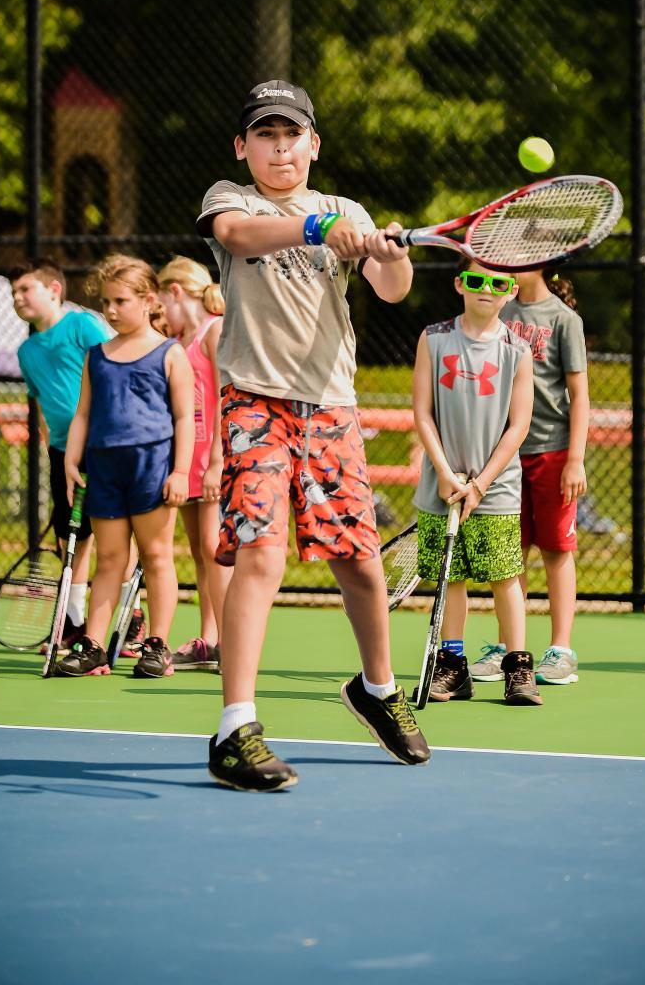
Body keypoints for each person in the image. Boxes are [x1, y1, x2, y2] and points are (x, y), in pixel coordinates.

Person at [196, 78, 430, 791]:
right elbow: (237, 238)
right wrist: (317, 231)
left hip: (330, 408)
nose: (278, 147)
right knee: (261, 556)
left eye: (290, 134)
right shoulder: (229, 199)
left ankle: (378, 692)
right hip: (255, 404)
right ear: (244, 147)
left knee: (360, 563)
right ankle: (235, 727)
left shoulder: (345, 209)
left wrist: (384, 250)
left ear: (313, 145)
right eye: (264, 135)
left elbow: (394, 289)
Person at [59, 254, 194, 678]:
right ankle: (93, 645)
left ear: (147, 299)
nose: (111, 310)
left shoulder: (170, 354)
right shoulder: (96, 356)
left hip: (152, 466)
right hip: (104, 468)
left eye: (120, 301)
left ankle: (157, 646)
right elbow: (83, 413)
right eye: (106, 302)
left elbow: (184, 417)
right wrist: (70, 460)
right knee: (110, 558)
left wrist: (180, 471)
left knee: (156, 557)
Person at [412, 262, 541, 706]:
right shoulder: (433, 338)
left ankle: (519, 667)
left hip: (496, 488)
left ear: (511, 291)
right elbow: (423, 413)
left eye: (498, 283)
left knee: (506, 576)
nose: (486, 289)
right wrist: (447, 473)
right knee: (452, 578)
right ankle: (453, 666)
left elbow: (518, 425)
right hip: (441, 486)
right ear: (458, 285)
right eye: (475, 280)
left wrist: (482, 482)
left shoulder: (518, 350)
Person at [9, 258, 145, 652]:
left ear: (54, 290)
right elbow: (41, 403)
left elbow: (115, 368)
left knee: (114, 532)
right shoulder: (26, 350)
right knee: (74, 536)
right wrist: (54, 444)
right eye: (14, 292)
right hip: (61, 454)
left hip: (104, 447)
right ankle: (74, 623)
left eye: (25, 289)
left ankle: (130, 617)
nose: (18, 298)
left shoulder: (82, 326)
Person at [466, 269, 589, 686]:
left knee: (556, 551)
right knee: (508, 554)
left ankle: (561, 650)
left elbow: (580, 395)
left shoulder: (564, 320)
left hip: (552, 453)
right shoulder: (499, 307)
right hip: (504, 455)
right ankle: (507, 648)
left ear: (545, 264)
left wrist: (576, 458)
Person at [157, 255, 229, 671]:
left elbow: (224, 395)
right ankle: (210, 639)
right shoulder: (179, 343)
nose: (159, 315)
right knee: (200, 554)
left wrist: (218, 460)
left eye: (161, 303)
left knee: (214, 549)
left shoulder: (214, 331)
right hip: (187, 460)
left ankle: (228, 639)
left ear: (176, 292)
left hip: (212, 459)